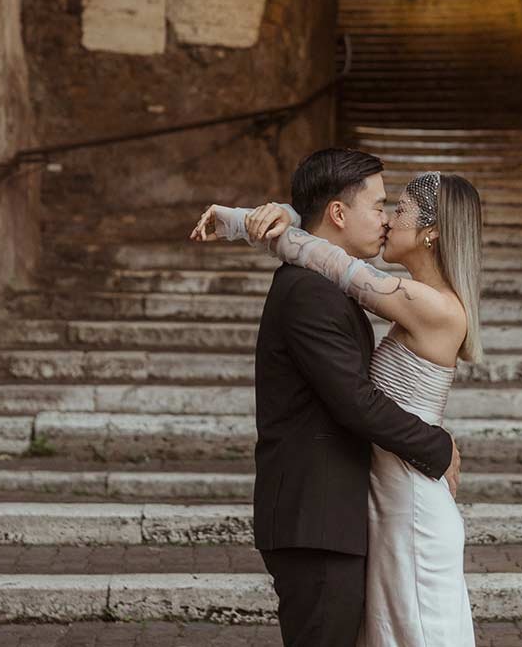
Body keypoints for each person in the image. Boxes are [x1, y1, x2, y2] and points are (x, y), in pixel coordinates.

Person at [192, 152, 485, 647]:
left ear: (432, 232)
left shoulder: (424, 304)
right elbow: (329, 254)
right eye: (381, 206)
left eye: (400, 210)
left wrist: (251, 222)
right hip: (368, 497)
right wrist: (281, 217)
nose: (389, 218)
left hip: (404, 497)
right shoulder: (377, 295)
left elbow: (332, 259)